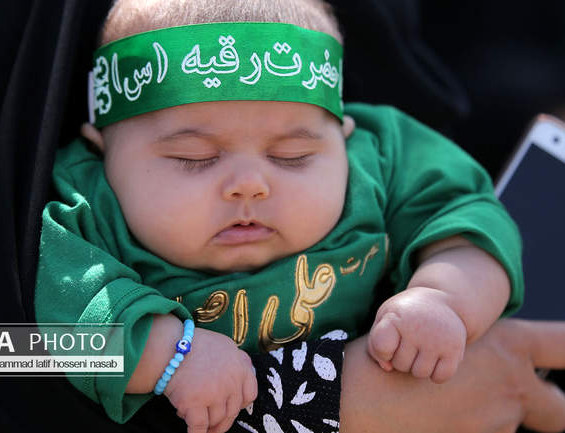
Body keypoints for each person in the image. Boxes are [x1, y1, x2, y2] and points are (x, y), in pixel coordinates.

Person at [35, 0, 528, 432]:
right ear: (100, 155)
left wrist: (443, 297)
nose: (250, 183)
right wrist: (168, 354)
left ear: (345, 138)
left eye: (292, 155)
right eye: (194, 157)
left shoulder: (379, 159)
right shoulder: (84, 209)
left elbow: (469, 220)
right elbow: (22, 347)